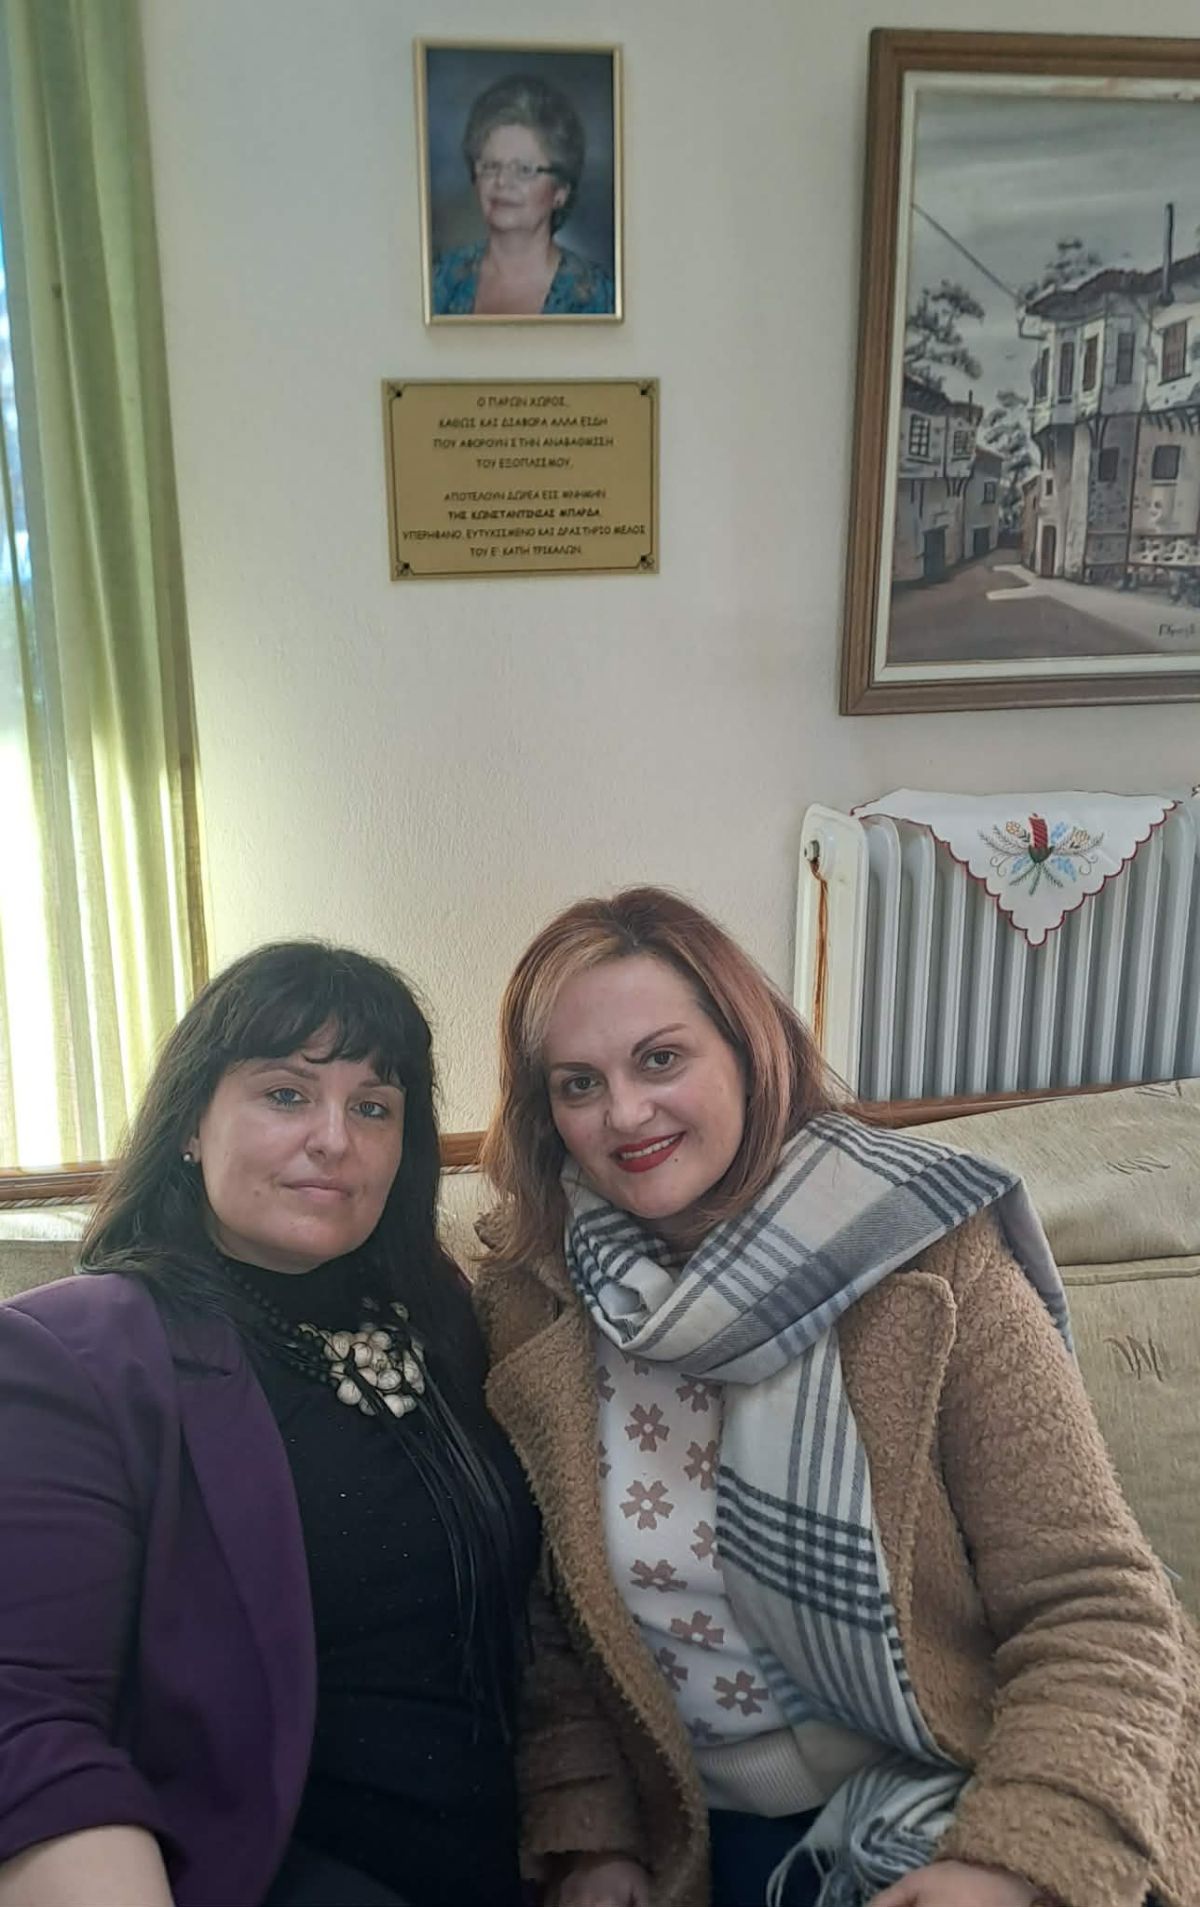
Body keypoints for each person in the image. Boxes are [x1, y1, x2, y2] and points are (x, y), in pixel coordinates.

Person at [475, 886, 1200, 1907]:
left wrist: (1012, 1860)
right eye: (579, 1083)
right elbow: (552, 1624)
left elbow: (1092, 1599)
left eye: (661, 1058)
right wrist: (593, 1839)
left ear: (749, 1049)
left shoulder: (926, 1245)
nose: (624, 1112)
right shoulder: (533, 1293)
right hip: (711, 1835)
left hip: (982, 1783)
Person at [0, 941, 541, 1907]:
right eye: (286, 1094)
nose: (335, 1138)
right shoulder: (77, 1352)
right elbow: (29, 1722)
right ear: (191, 1123)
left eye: (373, 1106)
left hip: (508, 1860)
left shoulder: (440, 1314)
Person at [432, 73, 615, 317]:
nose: (502, 181)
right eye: (491, 166)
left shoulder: (600, 296)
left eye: (524, 169)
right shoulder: (439, 280)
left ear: (560, 190)